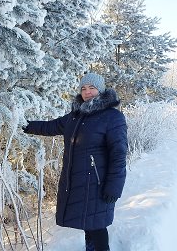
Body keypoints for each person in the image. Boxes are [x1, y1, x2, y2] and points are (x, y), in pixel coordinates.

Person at [23, 73, 128, 251]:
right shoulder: (76, 116)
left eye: (92, 88)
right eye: (84, 89)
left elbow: (118, 154)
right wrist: (24, 124)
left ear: (100, 90)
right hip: (78, 181)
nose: (87, 92)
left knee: (97, 225)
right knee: (90, 222)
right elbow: (51, 126)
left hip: (97, 182)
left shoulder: (112, 117)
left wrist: (114, 186)